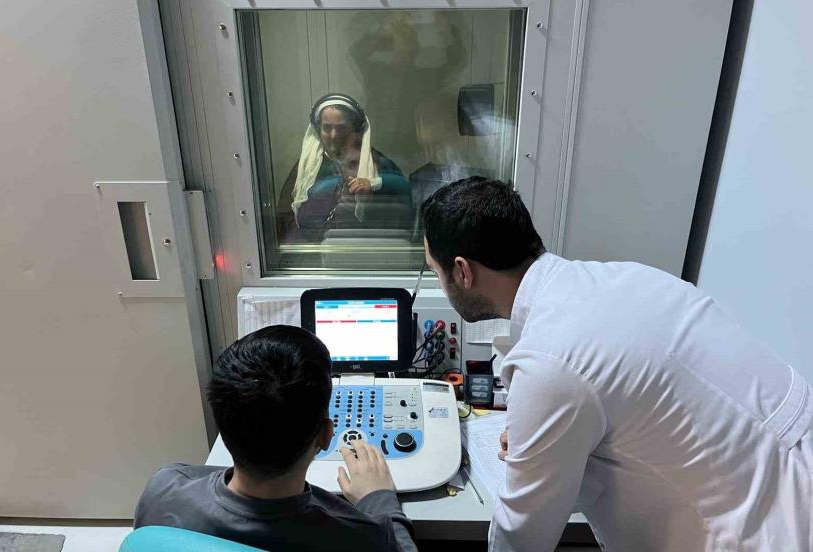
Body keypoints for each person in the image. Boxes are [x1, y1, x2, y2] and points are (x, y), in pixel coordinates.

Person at [421, 177, 812, 551]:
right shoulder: (631, 279)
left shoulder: (548, 360)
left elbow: (521, 537)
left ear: (463, 271)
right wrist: (542, 442)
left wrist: (537, 449)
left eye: (437, 272)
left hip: (766, 532)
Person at [134, 325, 417, 552]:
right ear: (326, 435)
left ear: (222, 421)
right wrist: (378, 499)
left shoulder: (162, 489)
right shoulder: (364, 538)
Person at [276, 93, 411, 241]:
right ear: (319, 129)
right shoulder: (307, 169)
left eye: (341, 128)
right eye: (327, 128)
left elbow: (404, 217)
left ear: (355, 130)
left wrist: (372, 198)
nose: (333, 135)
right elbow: (286, 217)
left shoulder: (379, 164)